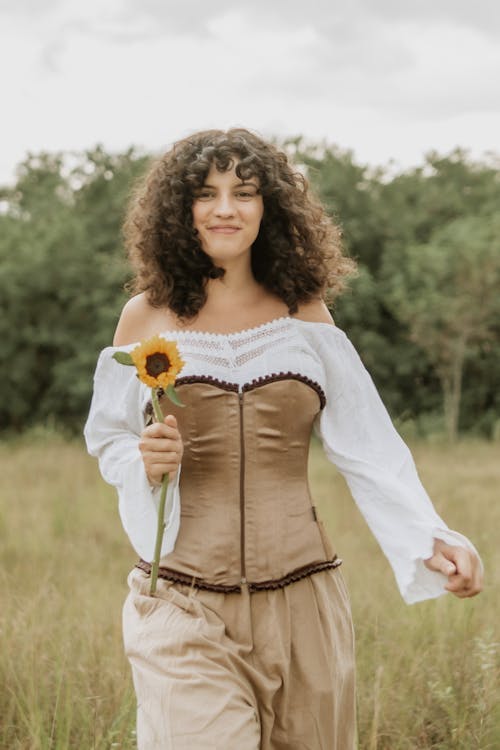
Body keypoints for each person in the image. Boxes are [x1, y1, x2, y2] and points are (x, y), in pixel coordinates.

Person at [84, 128, 483, 750]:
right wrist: (144, 460)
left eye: (243, 193)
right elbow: (109, 436)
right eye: (206, 194)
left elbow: (367, 443)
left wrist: (429, 537)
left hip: (306, 611)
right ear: (178, 209)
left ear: (268, 207)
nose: (225, 209)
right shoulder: (147, 317)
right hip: (185, 605)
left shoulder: (306, 316)